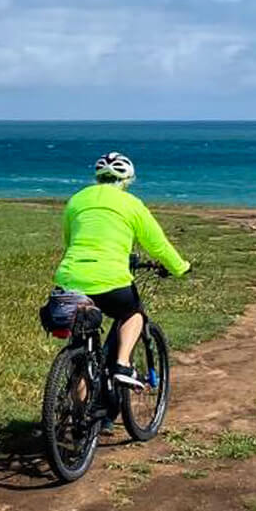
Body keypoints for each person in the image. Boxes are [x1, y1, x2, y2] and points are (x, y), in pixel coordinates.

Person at [52, 152, 190, 389]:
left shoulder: (76, 200)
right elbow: (157, 245)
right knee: (133, 313)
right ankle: (122, 365)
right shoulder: (131, 204)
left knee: (82, 351)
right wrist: (179, 267)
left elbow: (69, 239)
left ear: (98, 177)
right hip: (111, 280)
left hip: (70, 278)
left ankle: (77, 420)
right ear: (128, 179)